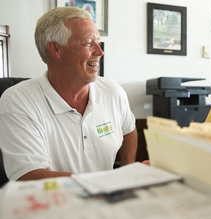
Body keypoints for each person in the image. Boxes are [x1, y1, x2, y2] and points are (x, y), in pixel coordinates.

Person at [0, 7, 140, 181]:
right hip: (51, 205)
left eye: (98, 42)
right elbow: (30, 176)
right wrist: (109, 182)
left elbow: (129, 130)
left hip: (105, 201)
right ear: (55, 49)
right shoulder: (17, 100)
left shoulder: (112, 90)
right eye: (88, 43)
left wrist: (128, 172)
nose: (100, 51)